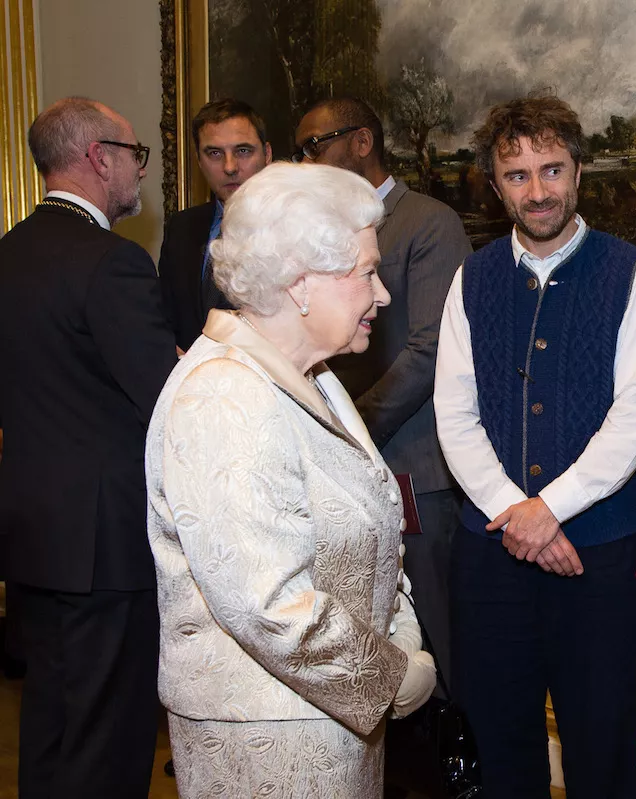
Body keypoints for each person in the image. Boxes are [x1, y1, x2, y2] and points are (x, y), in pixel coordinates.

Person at [146, 162, 438, 798]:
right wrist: (388, 676)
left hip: (329, 722)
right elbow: (267, 603)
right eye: (367, 272)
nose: (382, 294)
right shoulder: (223, 395)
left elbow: (373, 522)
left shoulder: (315, 377)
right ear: (303, 283)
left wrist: (403, 630)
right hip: (268, 737)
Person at [434, 95, 636, 799]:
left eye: (552, 169)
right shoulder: (471, 278)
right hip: (491, 554)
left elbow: (635, 415)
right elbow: (455, 412)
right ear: (495, 183)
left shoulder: (629, 271)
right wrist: (516, 511)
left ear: (579, 170)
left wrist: (552, 509)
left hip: (596, 554)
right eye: (518, 175)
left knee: (600, 744)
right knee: (503, 744)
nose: (538, 191)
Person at [0, 96, 178, 798]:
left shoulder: (8, 254)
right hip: (106, 548)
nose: (140, 172)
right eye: (134, 155)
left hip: (31, 537)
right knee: (105, 744)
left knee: (50, 726)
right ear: (99, 158)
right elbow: (167, 402)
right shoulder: (114, 264)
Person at [295, 97, 471, 689]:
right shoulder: (320, 233)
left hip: (412, 470)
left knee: (443, 642)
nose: (306, 159)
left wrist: (345, 427)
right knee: (363, 637)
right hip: (339, 471)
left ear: (363, 141)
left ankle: (462, 771)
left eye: (316, 144)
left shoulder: (428, 222)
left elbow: (429, 350)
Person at [159, 99, 272, 351]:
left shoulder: (293, 227)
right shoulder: (181, 228)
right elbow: (168, 319)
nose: (230, 167)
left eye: (243, 151)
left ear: (267, 154)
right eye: (214, 153)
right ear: (199, 161)